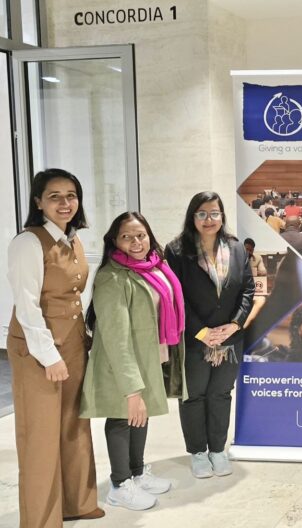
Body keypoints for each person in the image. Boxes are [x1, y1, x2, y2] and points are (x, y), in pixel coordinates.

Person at [6, 168, 103, 525]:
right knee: (41, 435)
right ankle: (41, 519)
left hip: (74, 344)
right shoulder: (28, 243)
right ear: (38, 202)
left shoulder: (71, 239)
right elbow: (28, 306)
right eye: (55, 196)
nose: (65, 203)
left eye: (71, 195)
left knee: (74, 425)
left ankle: (77, 502)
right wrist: (49, 357)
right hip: (38, 350)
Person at [81, 212, 186, 511]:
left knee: (142, 413)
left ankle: (137, 472)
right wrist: (131, 387)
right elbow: (116, 337)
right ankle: (120, 484)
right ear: (114, 241)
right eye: (126, 237)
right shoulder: (112, 276)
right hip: (122, 360)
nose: (136, 242)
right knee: (122, 417)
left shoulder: (156, 265)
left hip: (149, 353)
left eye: (141, 235)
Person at [165, 191, 255, 479]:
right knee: (194, 395)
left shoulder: (236, 248)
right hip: (194, 337)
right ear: (192, 217)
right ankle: (198, 452)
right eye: (202, 213)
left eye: (214, 213)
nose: (209, 219)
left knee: (221, 393)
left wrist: (235, 324)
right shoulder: (176, 250)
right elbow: (175, 296)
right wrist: (201, 331)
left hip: (230, 338)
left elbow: (248, 290)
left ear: (222, 216)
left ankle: (217, 449)